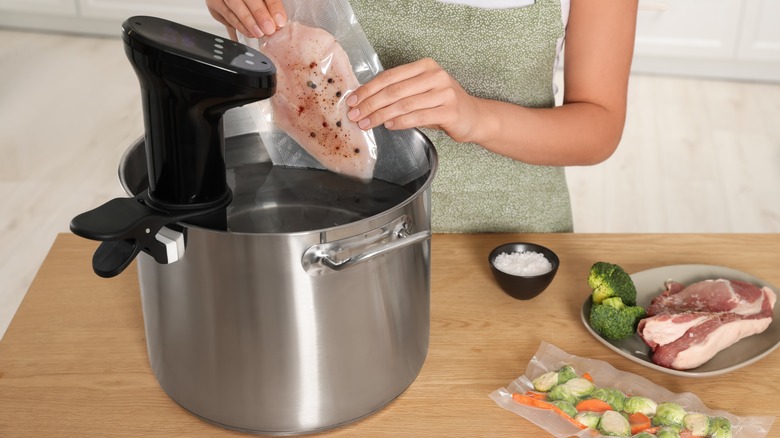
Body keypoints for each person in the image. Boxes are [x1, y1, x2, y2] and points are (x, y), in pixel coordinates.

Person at [205, 0, 638, 233]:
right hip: (336, 230)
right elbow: (284, 63)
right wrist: (247, 15)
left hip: (506, 237)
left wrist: (478, 117)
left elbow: (599, 126)